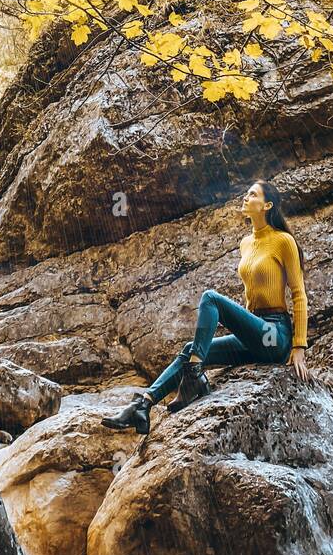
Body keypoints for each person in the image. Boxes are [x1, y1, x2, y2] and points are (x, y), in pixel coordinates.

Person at [103, 179, 310, 435]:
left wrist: (299, 347)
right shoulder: (246, 243)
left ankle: (193, 377)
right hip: (253, 334)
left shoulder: (283, 241)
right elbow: (252, 294)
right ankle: (142, 404)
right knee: (191, 349)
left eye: (252, 194)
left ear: (267, 205)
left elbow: (299, 295)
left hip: (274, 335)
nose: (245, 197)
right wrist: (244, 325)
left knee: (211, 298)